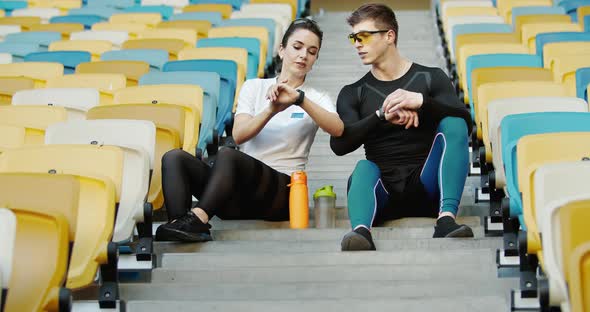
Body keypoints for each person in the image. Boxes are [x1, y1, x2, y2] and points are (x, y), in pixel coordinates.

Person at [155, 18, 344, 242]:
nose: (304, 55)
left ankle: (198, 217)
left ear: (315, 60)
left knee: (227, 155)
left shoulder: (315, 97)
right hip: (237, 192)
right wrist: (271, 110)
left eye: (312, 52)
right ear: (282, 50)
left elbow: (338, 129)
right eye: (297, 47)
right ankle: (181, 227)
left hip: (281, 194)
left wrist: (299, 99)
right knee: (174, 157)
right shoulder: (254, 87)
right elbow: (239, 134)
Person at [331, 3, 474, 251]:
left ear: (389, 36)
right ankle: (361, 233)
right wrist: (381, 116)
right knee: (363, 167)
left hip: (427, 185)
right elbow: (340, 144)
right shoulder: (353, 92)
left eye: (363, 36)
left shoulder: (431, 77)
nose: (357, 44)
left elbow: (465, 121)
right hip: (381, 192)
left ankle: (446, 220)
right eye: (353, 37)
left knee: (453, 122)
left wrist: (421, 102)